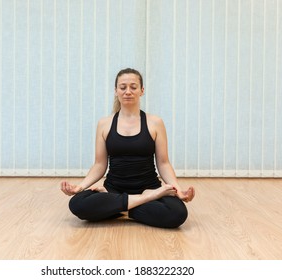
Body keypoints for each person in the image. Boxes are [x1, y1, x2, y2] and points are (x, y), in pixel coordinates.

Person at [60, 68, 195, 228]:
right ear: (116, 91)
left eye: (133, 87)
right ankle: (143, 200)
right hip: (114, 188)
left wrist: (178, 190)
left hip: (149, 186)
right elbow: (99, 164)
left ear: (142, 90)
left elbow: (164, 163)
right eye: (123, 87)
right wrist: (80, 186)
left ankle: (117, 209)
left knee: (178, 213)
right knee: (77, 204)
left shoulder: (155, 122)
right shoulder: (105, 123)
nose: (128, 92)